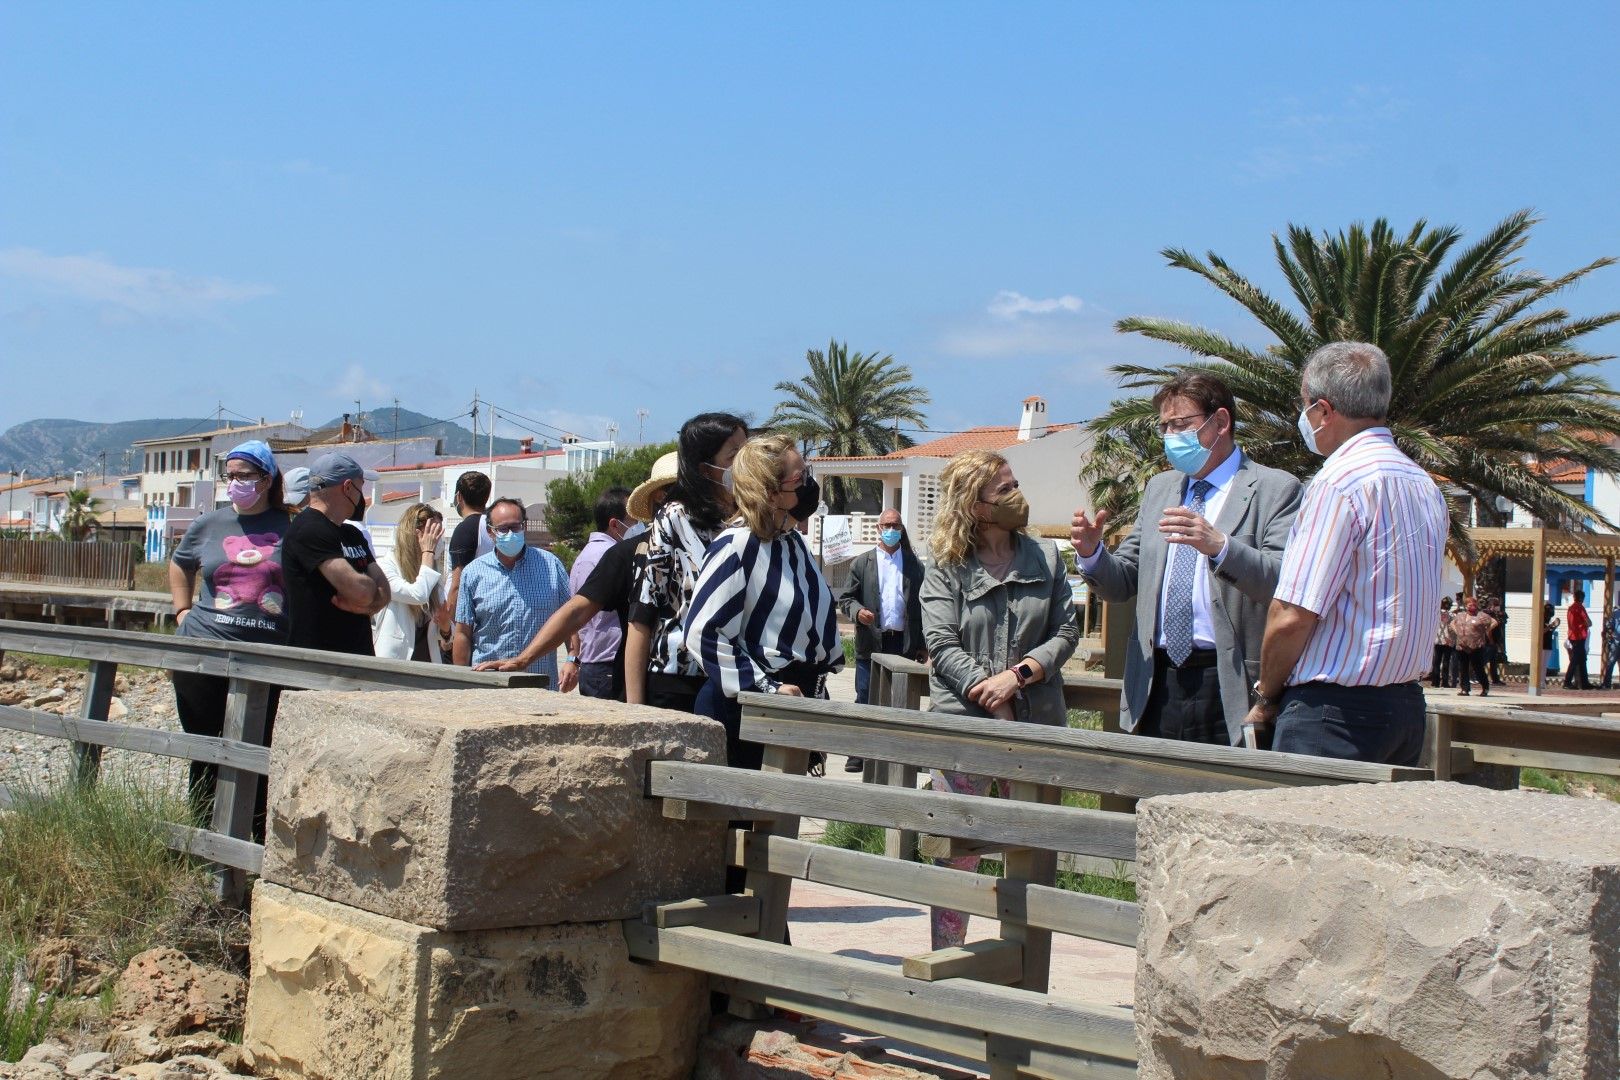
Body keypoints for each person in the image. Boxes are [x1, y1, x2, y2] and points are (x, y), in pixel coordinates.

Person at [1244, 342, 1449, 765]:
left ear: (1323, 410)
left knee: (1304, 831)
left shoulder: (1338, 483)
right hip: (1406, 708)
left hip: (1334, 714)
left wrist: (1265, 696)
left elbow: (1292, 615)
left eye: (1304, 408)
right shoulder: (1422, 483)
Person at [1071, 371, 1302, 746]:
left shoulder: (1276, 489)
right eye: (1164, 427)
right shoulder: (1161, 488)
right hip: (1155, 680)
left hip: (1228, 680)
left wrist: (1219, 546)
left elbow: (1282, 581)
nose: (1170, 437)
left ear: (1221, 422)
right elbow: (1126, 580)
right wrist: (1093, 554)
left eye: (1181, 424)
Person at [920, 449, 1079, 948]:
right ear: (976, 505)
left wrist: (1020, 676)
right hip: (965, 730)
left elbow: (1066, 631)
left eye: (1015, 483)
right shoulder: (946, 566)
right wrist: (990, 696)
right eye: (1004, 490)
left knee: (1029, 851)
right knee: (956, 853)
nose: (1017, 496)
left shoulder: (1047, 558)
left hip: (1035, 726)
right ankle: (948, 965)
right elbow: (941, 645)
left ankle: (1021, 966)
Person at [684, 433, 844, 770]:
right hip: (745, 714)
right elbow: (703, 632)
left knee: (778, 821)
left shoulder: (793, 544)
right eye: (800, 478)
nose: (809, 485)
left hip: (788, 709)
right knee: (738, 820)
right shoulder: (737, 545)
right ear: (771, 492)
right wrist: (767, 689)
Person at [473, 453, 681, 698]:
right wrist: (523, 660)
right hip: (648, 688)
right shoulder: (628, 553)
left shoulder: (724, 548)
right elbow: (576, 611)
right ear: (660, 501)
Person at [167, 439, 291, 827]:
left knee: (258, 749)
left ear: (267, 479)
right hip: (202, 651)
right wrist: (183, 610)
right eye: (230, 475)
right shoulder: (210, 524)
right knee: (205, 745)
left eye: (245, 475)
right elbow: (180, 563)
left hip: (265, 659)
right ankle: (203, 831)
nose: (235, 482)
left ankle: (251, 836)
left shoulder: (290, 526)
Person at [625, 413, 748, 711]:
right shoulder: (675, 518)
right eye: (735, 455)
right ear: (705, 467)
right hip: (679, 681)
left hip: (741, 679)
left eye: (748, 452)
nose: (746, 464)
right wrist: (635, 709)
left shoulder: (750, 520)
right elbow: (644, 612)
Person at [837, 508, 926, 771]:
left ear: (901, 529)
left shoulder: (913, 564)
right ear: (878, 528)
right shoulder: (862, 563)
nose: (890, 530)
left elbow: (922, 606)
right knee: (865, 695)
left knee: (904, 699)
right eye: (886, 525)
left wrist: (923, 645)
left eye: (895, 525)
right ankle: (858, 753)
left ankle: (904, 754)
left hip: (904, 644)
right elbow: (846, 599)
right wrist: (857, 612)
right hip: (871, 643)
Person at [453, 497, 573, 688]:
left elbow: (570, 618)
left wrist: (572, 660)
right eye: (503, 529)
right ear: (490, 532)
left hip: (539, 683)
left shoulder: (550, 565)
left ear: (524, 526)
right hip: (488, 684)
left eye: (516, 527)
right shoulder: (473, 572)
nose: (510, 534)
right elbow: (463, 633)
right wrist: (459, 682)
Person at [281, 452, 391, 655]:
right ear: (348, 487)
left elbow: (384, 590)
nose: (361, 497)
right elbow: (363, 591)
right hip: (320, 664)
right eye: (361, 487)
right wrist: (369, 592)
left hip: (356, 659)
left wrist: (369, 602)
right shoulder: (309, 529)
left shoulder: (352, 533)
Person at [570, 487, 634, 698]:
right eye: (632, 520)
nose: (637, 526)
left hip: (595, 662)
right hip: (607, 662)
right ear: (615, 524)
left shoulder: (586, 554)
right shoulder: (610, 555)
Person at [372, 503, 448, 662]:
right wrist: (428, 551)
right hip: (395, 660)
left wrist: (446, 629)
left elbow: (446, 637)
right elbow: (418, 595)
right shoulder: (385, 566)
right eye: (433, 534)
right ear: (416, 535)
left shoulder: (430, 569)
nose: (438, 540)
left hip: (428, 662)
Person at [444, 471, 493, 640]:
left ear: (459, 497)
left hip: (467, 621)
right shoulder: (493, 526)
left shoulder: (465, 529)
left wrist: (448, 628)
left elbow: (457, 583)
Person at [1451, 597, 1497, 697]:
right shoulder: (1460, 615)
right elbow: (1452, 623)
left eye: (1474, 605)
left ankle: (1485, 687)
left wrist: (1485, 631)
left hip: (1476, 646)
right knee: (1463, 668)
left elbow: (1494, 622)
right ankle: (1465, 689)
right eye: (1470, 605)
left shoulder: (1481, 616)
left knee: (1478, 668)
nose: (1472, 607)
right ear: (1466, 605)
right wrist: (1457, 632)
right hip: (1462, 645)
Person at [1565, 588, 1593, 690]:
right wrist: (1586, 624)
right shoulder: (1580, 608)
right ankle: (1567, 682)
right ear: (1582, 598)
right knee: (1576, 660)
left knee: (1582, 659)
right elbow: (1588, 622)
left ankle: (1584, 682)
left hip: (1572, 636)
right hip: (1579, 636)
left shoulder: (1570, 608)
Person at [1430, 596, 1456, 689]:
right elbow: (1452, 629)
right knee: (1446, 661)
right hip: (1448, 641)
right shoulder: (1452, 615)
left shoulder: (1436, 614)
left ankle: (1435, 681)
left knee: (1436, 661)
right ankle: (1444, 682)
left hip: (1438, 640)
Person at [1485, 595, 1508, 686]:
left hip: (1495, 642)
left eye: (1498, 604)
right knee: (1484, 659)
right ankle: (1477, 675)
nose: (1498, 606)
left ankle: (1495, 679)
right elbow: (1488, 629)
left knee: (1493, 661)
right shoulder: (1488, 614)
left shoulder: (1497, 615)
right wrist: (1490, 640)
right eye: (1496, 604)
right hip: (1489, 642)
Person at [1600, 605, 1620, 690]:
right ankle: (1606, 683)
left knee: (1611, 662)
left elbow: (1609, 626)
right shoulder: (1616, 613)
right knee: (1611, 662)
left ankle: (1606, 683)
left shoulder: (1615, 613)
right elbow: (1609, 626)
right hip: (1616, 641)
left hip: (1615, 641)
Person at [1543, 601, 1561, 680]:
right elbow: (1542, 631)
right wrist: (1551, 625)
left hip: (1548, 644)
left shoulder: (1547, 621)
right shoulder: (1542, 620)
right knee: (1541, 665)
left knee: (1544, 665)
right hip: (1542, 645)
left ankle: (1542, 681)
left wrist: (1555, 626)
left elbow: (1549, 631)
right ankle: (1539, 681)